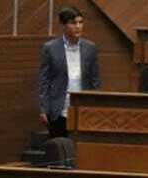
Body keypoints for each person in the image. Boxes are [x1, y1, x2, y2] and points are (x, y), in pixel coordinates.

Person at [37, 6, 102, 139]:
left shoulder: (90, 48)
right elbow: (44, 81)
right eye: (73, 23)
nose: (78, 26)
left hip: (83, 109)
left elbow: (95, 80)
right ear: (63, 25)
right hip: (58, 108)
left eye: (80, 22)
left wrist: (96, 106)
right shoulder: (50, 48)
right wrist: (43, 109)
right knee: (60, 149)